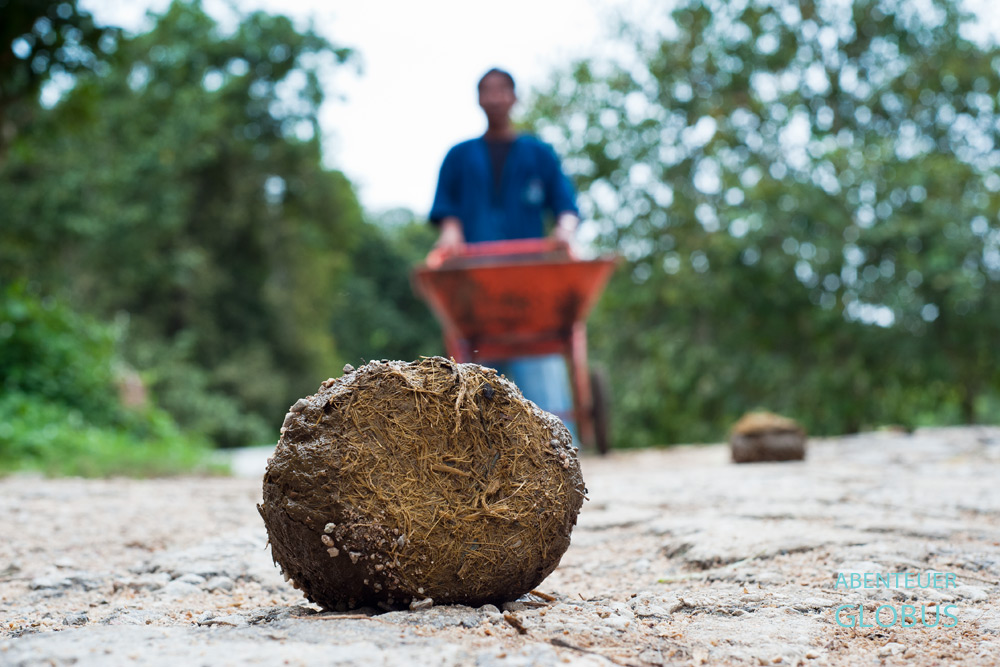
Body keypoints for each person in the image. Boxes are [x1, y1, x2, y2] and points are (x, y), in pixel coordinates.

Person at [428, 68, 581, 445]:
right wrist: (452, 238)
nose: (495, 97)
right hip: (477, 286)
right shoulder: (459, 157)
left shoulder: (539, 154)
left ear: (514, 97)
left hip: (531, 289)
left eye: (502, 90)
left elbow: (566, 207)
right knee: (476, 369)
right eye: (487, 91)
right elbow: (448, 216)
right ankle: (473, 445)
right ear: (479, 99)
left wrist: (564, 232)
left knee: (542, 380)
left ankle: (557, 444)